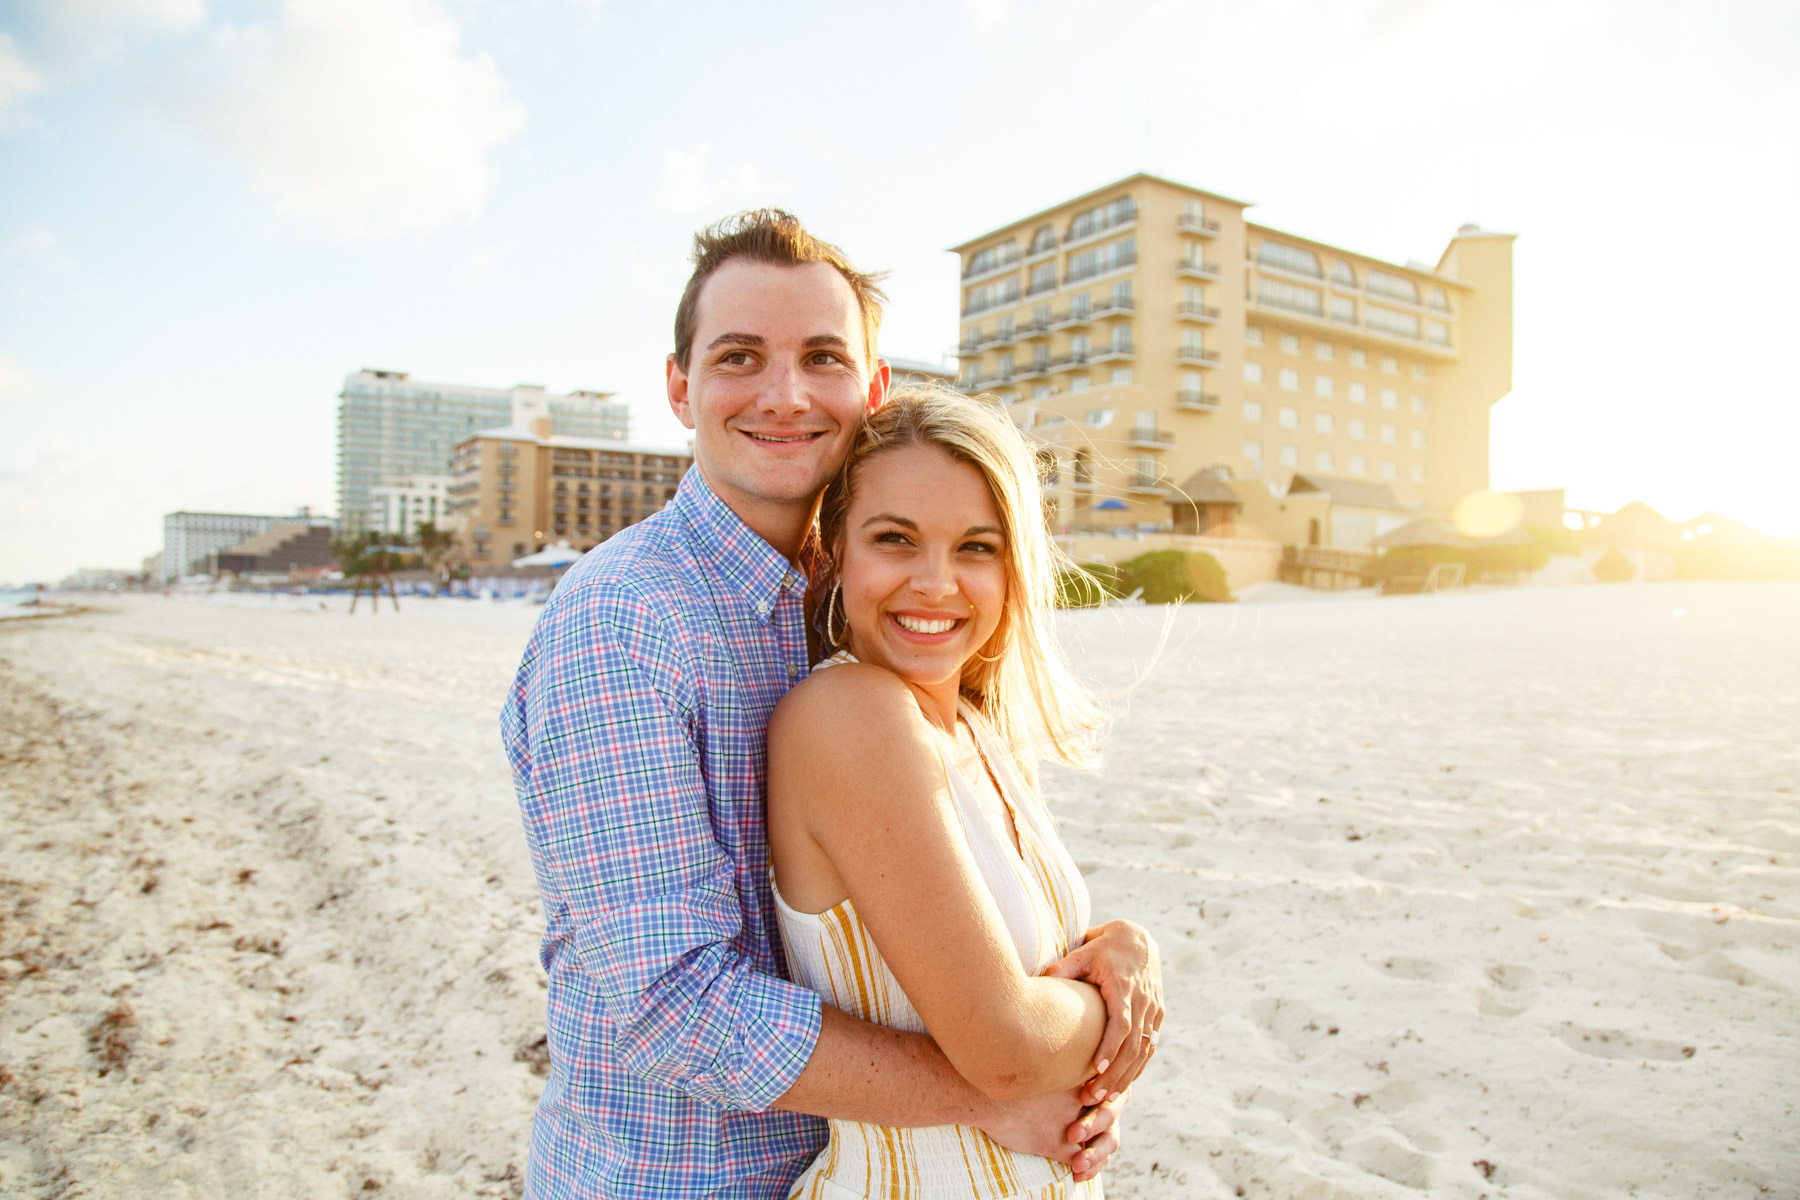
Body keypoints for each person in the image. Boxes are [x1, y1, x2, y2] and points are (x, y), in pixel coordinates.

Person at [503, 210, 1152, 1199]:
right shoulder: (622, 625)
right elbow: (671, 1007)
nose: (785, 393)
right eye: (739, 357)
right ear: (680, 387)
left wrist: (1126, 954)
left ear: (872, 388)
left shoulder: (859, 607)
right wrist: (981, 1091)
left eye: (821, 357)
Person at [766, 386, 1162, 1197]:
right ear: (837, 549)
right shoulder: (849, 714)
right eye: (895, 539)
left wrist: (1127, 946)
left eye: (976, 547)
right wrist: (1123, 1020)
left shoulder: (975, 730)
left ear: (1015, 564)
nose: (936, 583)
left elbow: (1024, 968)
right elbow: (1006, 1048)